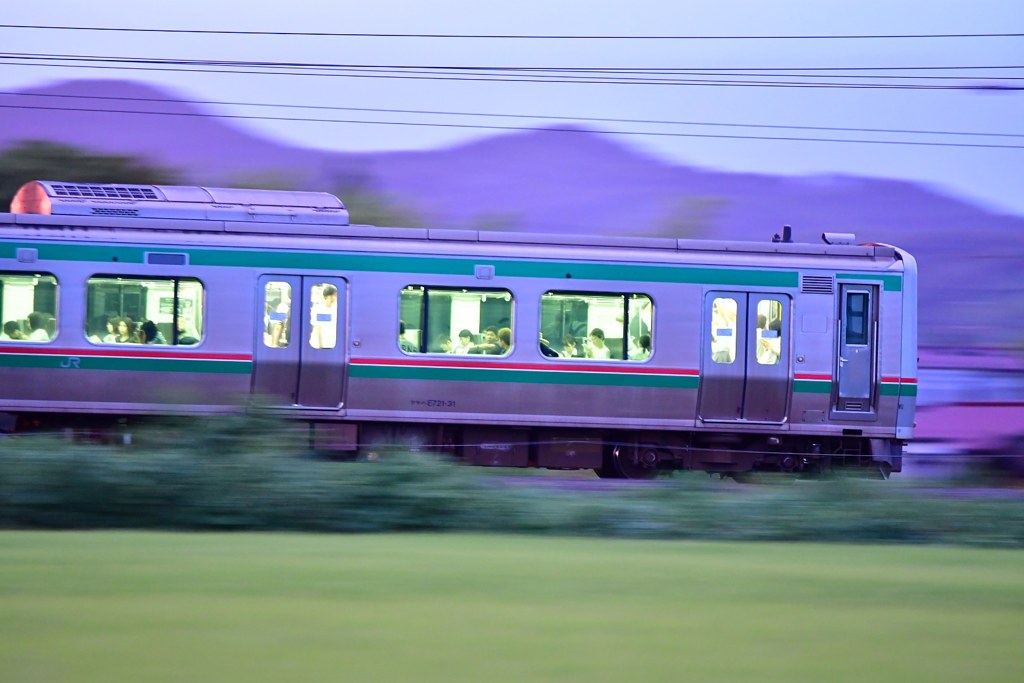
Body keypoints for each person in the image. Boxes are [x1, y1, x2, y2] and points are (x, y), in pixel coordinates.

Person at [310, 284, 338, 349]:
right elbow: (318, 327)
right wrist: (320, 345)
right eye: (334, 295)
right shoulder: (318, 309)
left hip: (332, 344)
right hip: (319, 344)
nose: (336, 297)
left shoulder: (336, 309)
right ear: (328, 296)